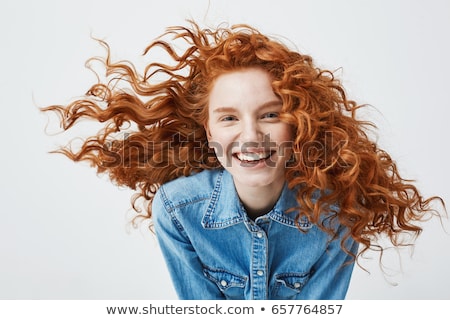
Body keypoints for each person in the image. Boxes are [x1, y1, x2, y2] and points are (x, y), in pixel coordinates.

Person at [42, 21, 444, 299]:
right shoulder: (177, 209)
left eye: (270, 114)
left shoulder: (337, 212)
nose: (250, 136)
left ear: (298, 124)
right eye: (229, 118)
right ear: (208, 131)